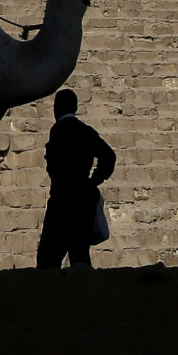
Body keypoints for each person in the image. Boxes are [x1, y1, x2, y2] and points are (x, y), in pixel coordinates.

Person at [36, 89, 116, 269]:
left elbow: (53, 165)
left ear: (56, 108)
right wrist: (93, 182)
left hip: (61, 201)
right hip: (83, 202)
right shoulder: (86, 131)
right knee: (79, 255)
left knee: (47, 260)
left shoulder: (57, 131)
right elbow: (109, 156)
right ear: (75, 107)